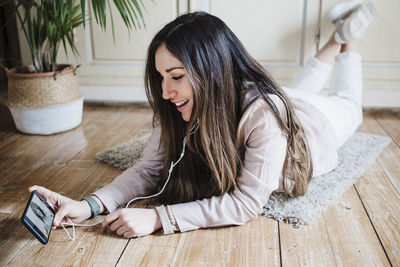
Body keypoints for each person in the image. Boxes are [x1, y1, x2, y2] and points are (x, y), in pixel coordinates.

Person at [29, 0, 377, 238]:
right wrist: (89, 205)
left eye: (177, 77)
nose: (165, 93)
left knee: (348, 103)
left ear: (211, 72)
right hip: (277, 99)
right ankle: (337, 37)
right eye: (161, 77)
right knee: (295, 90)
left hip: (315, 125)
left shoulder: (265, 116)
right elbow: (148, 169)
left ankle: (352, 39)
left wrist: (157, 218)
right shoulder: (180, 104)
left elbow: (245, 204)